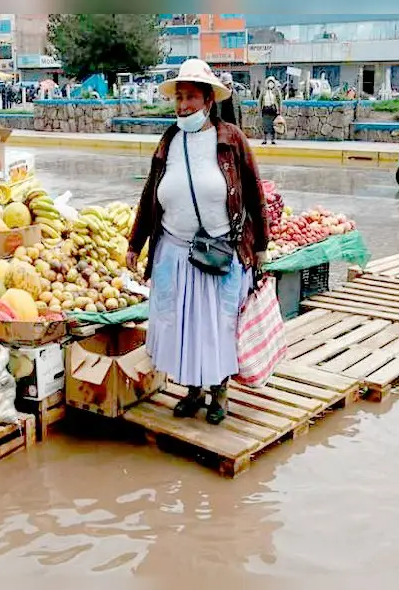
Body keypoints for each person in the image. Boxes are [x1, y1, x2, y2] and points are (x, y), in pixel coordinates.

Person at [125, 58, 269, 426]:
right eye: (179, 97)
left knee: (218, 326)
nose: (183, 105)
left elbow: (254, 193)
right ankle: (193, 391)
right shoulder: (170, 140)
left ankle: (219, 391)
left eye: (191, 97)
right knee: (184, 326)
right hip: (174, 252)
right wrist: (135, 243)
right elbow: (149, 196)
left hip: (220, 252)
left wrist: (262, 246)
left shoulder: (231, 139)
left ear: (208, 101)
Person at [260, 77, 282, 145]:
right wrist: (260, 110)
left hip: (273, 110)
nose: (270, 83)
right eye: (269, 82)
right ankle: (265, 139)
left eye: (272, 82)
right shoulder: (263, 91)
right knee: (265, 125)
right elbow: (260, 101)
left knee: (273, 125)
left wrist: (279, 110)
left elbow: (279, 101)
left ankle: (273, 139)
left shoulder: (276, 91)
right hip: (265, 110)